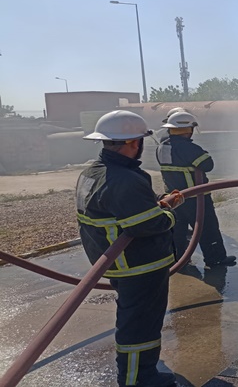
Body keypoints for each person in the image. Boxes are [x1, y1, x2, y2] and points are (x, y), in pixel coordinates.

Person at [76, 110, 180, 387]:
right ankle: (138, 378)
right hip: (138, 264)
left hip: (117, 261)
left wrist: (157, 200)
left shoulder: (92, 172)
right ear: (135, 142)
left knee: (136, 320)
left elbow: (120, 208)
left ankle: (138, 372)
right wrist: (168, 212)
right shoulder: (125, 179)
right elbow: (147, 224)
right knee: (140, 325)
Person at [156, 111, 236, 268]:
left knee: (177, 232)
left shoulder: (162, 147)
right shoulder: (189, 148)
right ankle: (215, 259)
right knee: (207, 229)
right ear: (189, 129)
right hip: (196, 198)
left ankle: (179, 260)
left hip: (174, 198)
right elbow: (208, 164)